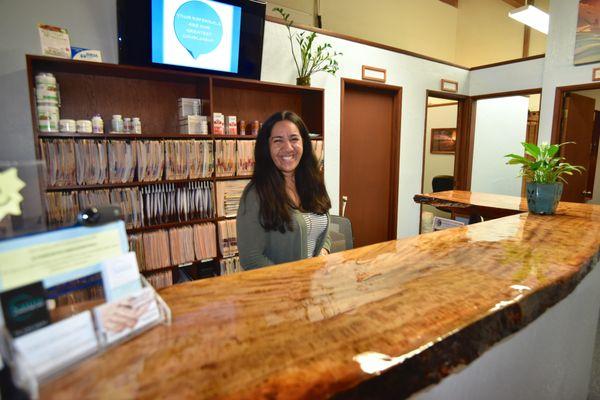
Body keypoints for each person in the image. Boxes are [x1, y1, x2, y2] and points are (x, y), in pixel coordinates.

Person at [237, 111, 331, 270]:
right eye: (278, 140)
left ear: (304, 143)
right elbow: (251, 259)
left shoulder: (314, 181)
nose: (287, 147)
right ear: (267, 147)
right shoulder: (256, 194)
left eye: (294, 139)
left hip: (314, 283)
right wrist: (293, 280)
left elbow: (323, 228)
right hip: (280, 289)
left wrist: (323, 253)